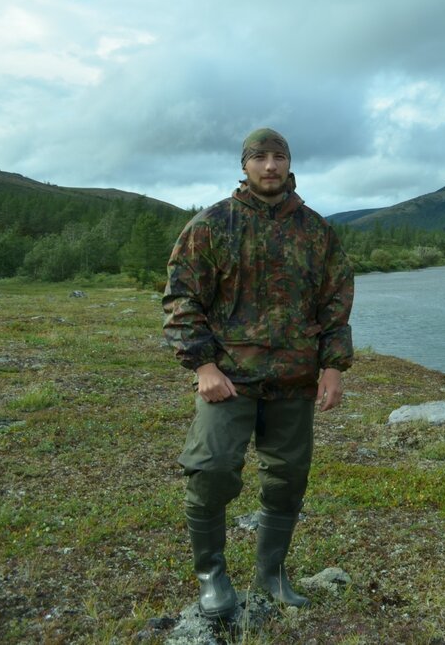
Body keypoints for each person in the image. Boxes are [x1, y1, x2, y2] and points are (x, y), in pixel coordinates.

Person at [162, 127, 354, 619]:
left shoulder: (317, 231)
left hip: (295, 379)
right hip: (228, 376)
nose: (270, 166)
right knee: (211, 471)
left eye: (279, 157)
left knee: (288, 478)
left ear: (289, 164)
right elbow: (182, 299)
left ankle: (271, 574)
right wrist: (202, 364)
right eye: (260, 157)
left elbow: (335, 303)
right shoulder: (212, 225)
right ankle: (212, 577)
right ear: (244, 165)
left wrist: (333, 366)